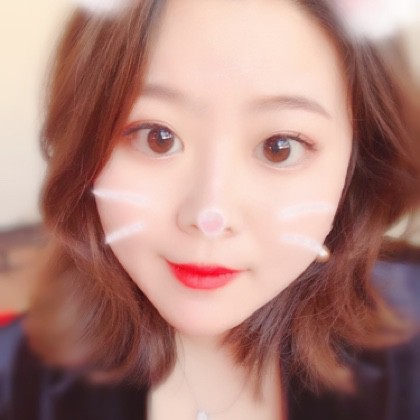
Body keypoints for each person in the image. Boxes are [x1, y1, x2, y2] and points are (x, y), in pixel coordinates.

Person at [1, 0, 419, 419]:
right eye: (157, 137)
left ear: (357, 165)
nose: (209, 216)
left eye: (279, 148)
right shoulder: (18, 381)